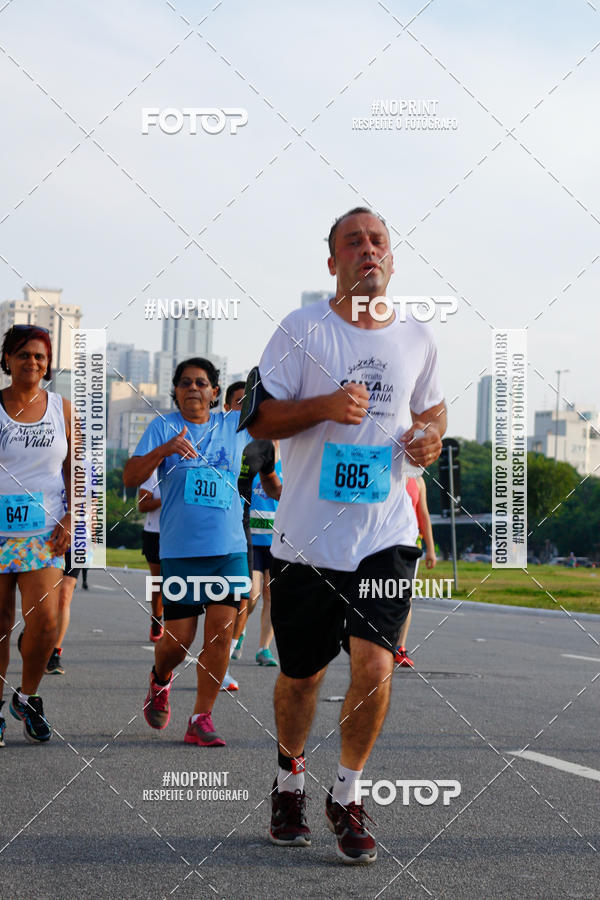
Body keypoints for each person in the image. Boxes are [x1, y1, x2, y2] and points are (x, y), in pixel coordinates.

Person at [243, 208, 446, 862]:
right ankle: (289, 781)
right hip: (306, 538)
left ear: (392, 257)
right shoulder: (301, 331)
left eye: (378, 240)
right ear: (332, 262)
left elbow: (432, 409)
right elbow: (258, 419)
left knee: (377, 663)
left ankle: (349, 794)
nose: (368, 250)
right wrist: (324, 407)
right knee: (301, 676)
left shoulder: (417, 337)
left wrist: (429, 440)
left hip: (384, 533)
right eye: (352, 242)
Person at [123, 358, 251, 747]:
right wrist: (165, 449)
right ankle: (160, 679)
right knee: (178, 639)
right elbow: (131, 477)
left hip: (229, 549)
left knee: (219, 634)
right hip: (180, 550)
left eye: (201, 383)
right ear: (174, 391)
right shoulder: (162, 427)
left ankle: (201, 717)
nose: (193, 388)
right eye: (184, 383)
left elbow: (273, 396)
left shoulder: (233, 425)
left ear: (215, 391)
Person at [0, 324, 72, 744]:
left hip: (43, 532)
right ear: (7, 359)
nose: (32, 362)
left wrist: (71, 517)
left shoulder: (61, 409)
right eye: (24, 354)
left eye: (40, 357)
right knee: (1, 624)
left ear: (48, 365)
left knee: (44, 623)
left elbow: (79, 472)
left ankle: (27, 697)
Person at [395, 475, 437, 668]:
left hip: (411, 545)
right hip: (383, 545)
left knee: (405, 596)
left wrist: (431, 550)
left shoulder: (418, 481)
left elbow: (424, 515)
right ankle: (375, 642)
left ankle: (400, 648)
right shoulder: (386, 472)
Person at [248, 441, 282, 666]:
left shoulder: (288, 462)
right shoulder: (251, 459)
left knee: (271, 596)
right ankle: (238, 633)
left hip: (276, 541)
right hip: (252, 540)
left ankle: (264, 648)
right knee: (252, 593)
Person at [45, 548, 89, 676]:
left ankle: (54, 653)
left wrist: (97, 543)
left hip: (77, 542)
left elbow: (98, 528)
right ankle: (34, 628)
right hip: (48, 539)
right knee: (44, 595)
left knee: (64, 597)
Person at [138, 469, 163, 643]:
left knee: (176, 581)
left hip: (178, 533)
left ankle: (176, 623)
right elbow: (142, 505)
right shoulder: (152, 473)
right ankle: (156, 619)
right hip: (155, 533)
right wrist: (167, 498)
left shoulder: (188, 471)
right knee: (158, 582)